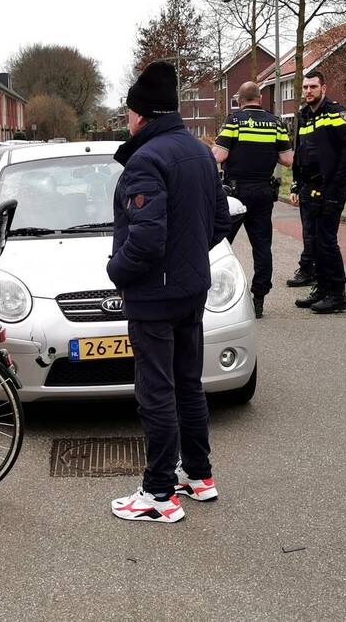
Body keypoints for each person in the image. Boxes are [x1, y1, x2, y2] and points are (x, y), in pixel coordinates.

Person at [107, 62, 231, 524]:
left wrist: (117, 270)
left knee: (155, 392)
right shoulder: (200, 154)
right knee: (188, 385)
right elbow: (220, 220)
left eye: (129, 112)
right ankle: (198, 476)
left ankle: (159, 494)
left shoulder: (145, 160)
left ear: (140, 114)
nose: (127, 120)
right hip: (190, 290)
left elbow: (145, 239)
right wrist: (188, 257)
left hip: (153, 297)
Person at [212, 81, 294, 319]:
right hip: (263, 193)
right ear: (260, 99)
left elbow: (220, 155)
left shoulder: (234, 121)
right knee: (262, 246)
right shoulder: (276, 123)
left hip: (235, 194)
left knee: (220, 244)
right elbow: (287, 159)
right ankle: (258, 298)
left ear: (240, 100)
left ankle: (218, 294)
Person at [291, 70, 346, 314]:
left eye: (313, 87)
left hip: (331, 187)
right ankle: (321, 287)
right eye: (305, 87)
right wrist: (297, 182)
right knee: (314, 241)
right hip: (310, 187)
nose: (308, 91)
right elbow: (301, 151)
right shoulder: (304, 115)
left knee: (327, 240)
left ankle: (337, 294)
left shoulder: (338, 114)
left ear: (324, 89)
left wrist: (334, 189)